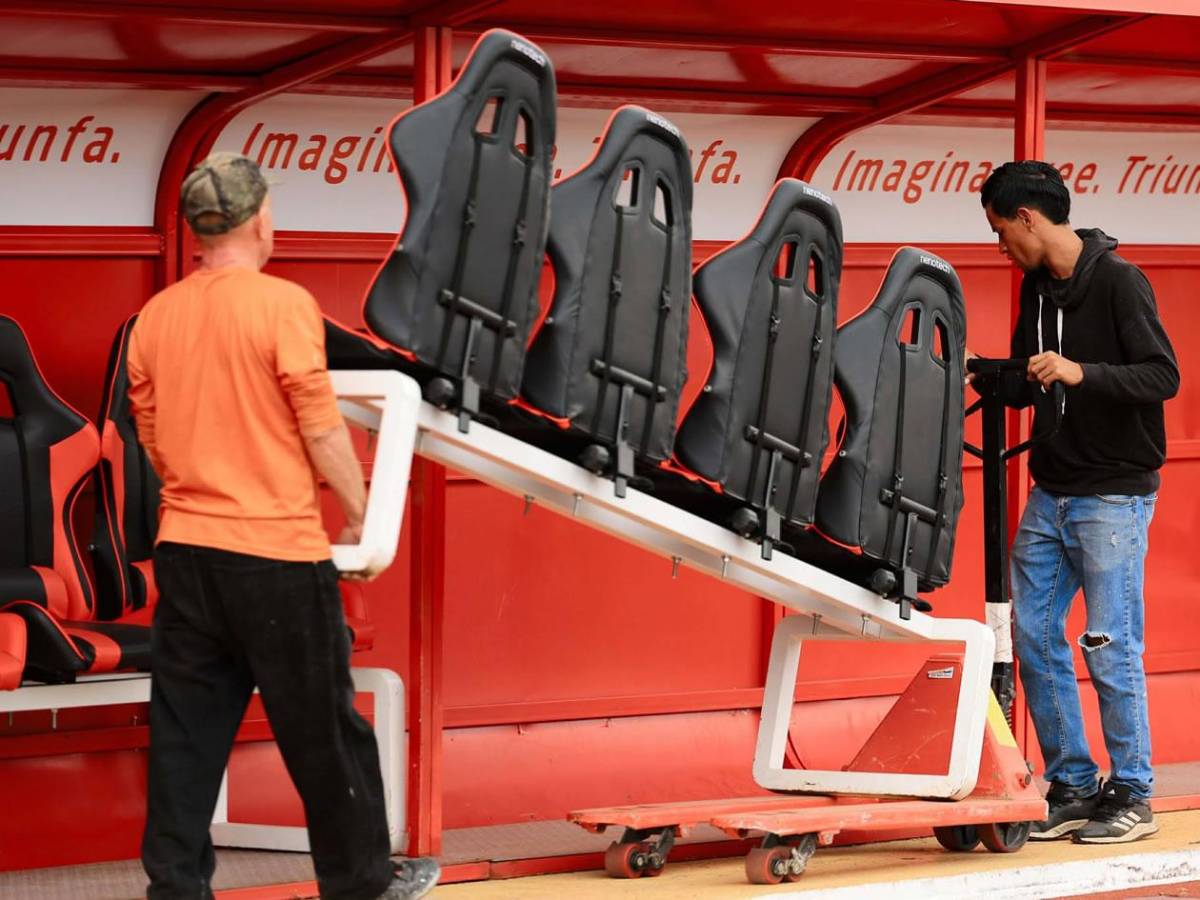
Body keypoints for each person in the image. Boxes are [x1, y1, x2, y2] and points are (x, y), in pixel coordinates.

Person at [128, 152, 440, 899]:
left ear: (199, 232)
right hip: (274, 556)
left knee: (185, 737)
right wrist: (365, 518)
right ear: (262, 220)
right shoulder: (283, 306)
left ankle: (175, 889)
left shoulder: (155, 316)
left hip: (188, 553)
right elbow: (321, 426)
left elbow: (151, 431)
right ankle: (361, 883)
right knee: (324, 733)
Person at [967, 161, 1178, 844]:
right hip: (1050, 494)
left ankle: (1133, 792)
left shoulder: (1119, 280)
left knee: (1108, 647)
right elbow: (1033, 383)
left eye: (1002, 232)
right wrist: (980, 370)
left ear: (1028, 217)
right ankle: (1075, 785)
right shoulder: (1036, 288)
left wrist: (1080, 372)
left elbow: (1162, 375)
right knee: (1033, 636)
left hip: (1112, 497)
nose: (1001, 247)